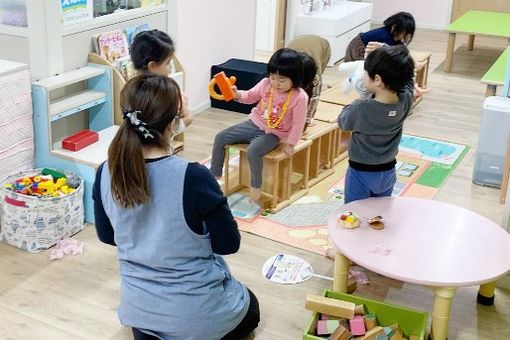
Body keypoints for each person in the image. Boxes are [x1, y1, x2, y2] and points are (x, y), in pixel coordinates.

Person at [93, 74, 260, 340]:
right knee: (250, 306)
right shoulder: (193, 177)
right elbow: (228, 244)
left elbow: (107, 236)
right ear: (173, 124)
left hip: (140, 312)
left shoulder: (105, 172)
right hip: (194, 318)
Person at [210, 48, 309, 202]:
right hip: (255, 123)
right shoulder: (265, 84)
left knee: (253, 151)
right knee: (221, 137)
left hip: (275, 133)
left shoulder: (299, 97)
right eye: (273, 77)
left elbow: (298, 123)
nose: (276, 83)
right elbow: (250, 96)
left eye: (281, 80)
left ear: (294, 78)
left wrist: (290, 144)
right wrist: (237, 94)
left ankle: (256, 186)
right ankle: (214, 176)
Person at [337, 44, 428, 204]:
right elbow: (408, 78)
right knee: (380, 210)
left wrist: (362, 97)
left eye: (365, 73)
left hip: (361, 172)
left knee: (354, 211)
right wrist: (393, 53)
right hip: (387, 171)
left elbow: (343, 121)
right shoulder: (405, 101)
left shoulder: (362, 109)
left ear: (377, 80)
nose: (363, 76)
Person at [130, 29, 192, 130]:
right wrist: (186, 120)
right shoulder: (162, 94)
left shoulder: (130, 89)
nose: (170, 67)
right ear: (152, 66)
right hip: (156, 144)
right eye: (168, 63)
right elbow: (167, 130)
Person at [287, 35, 331, 130]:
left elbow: (314, 98)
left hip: (323, 45)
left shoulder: (315, 77)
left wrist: (305, 123)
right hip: (298, 42)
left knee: (309, 91)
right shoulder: (282, 71)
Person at [344, 12, 415, 62]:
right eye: (403, 34)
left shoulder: (391, 33)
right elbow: (392, 53)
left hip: (361, 46)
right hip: (357, 51)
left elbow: (400, 47)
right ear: (394, 27)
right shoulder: (384, 37)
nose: (402, 37)